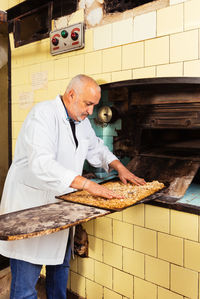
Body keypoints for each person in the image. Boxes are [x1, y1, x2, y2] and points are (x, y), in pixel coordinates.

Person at [0, 74, 145, 298]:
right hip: (31, 209)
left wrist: (120, 168)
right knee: (25, 288)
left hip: (61, 208)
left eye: (94, 106)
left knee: (59, 276)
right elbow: (42, 163)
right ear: (71, 95)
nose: (90, 111)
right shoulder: (43, 115)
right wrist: (87, 185)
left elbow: (96, 148)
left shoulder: (81, 122)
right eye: (88, 104)